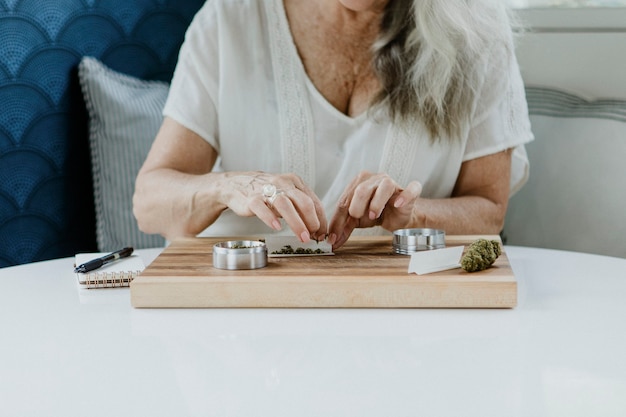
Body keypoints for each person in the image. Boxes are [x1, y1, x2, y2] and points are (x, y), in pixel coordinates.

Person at [133, 0, 533, 250]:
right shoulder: (229, 19)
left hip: (405, 314)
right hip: (247, 321)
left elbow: (488, 210)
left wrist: (414, 215)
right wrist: (229, 186)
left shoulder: (476, 29)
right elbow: (150, 204)